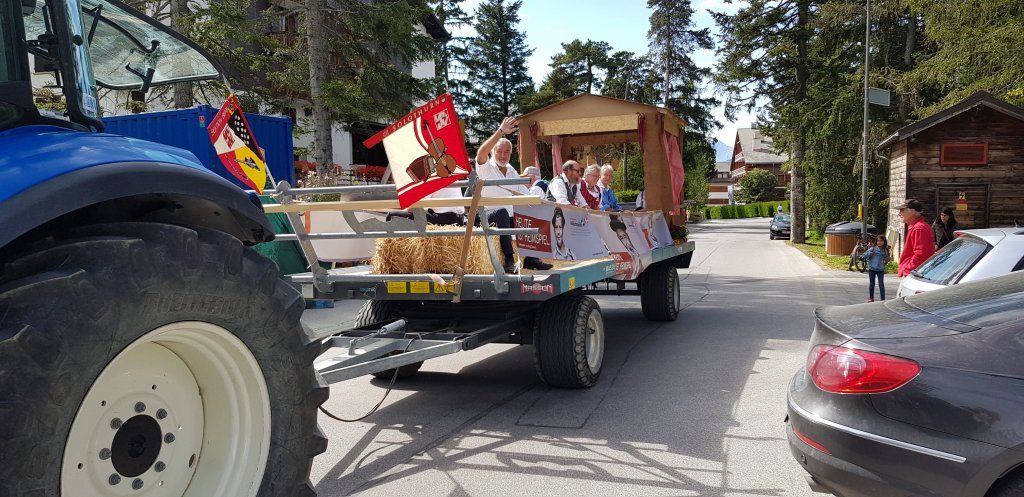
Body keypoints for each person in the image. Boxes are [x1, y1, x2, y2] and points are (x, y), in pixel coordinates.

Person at [474, 116, 552, 272]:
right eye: (499, 151)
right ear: (493, 152)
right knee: (502, 212)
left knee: (531, 211)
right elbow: (481, 153)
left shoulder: (511, 170)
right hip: (485, 216)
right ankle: (509, 261)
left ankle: (530, 258)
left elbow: (525, 195)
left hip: (507, 218)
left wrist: (544, 205)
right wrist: (501, 132)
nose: (503, 155)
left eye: (507, 152)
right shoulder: (486, 167)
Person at [896, 199, 936, 277]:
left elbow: (920, 255)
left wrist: (907, 271)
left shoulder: (919, 228)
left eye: (902, 210)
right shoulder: (917, 227)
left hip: (916, 274)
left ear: (912, 211)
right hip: (917, 273)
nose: (899, 213)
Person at [862, 235, 892, 302]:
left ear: (884, 242)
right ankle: (871, 298)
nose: (879, 242)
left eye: (881, 241)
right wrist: (870, 254)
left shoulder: (885, 250)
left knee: (881, 284)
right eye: (878, 241)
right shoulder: (873, 248)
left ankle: (883, 299)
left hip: (880, 269)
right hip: (872, 269)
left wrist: (887, 259)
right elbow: (864, 255)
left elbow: (888, 258)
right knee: (872, 284)